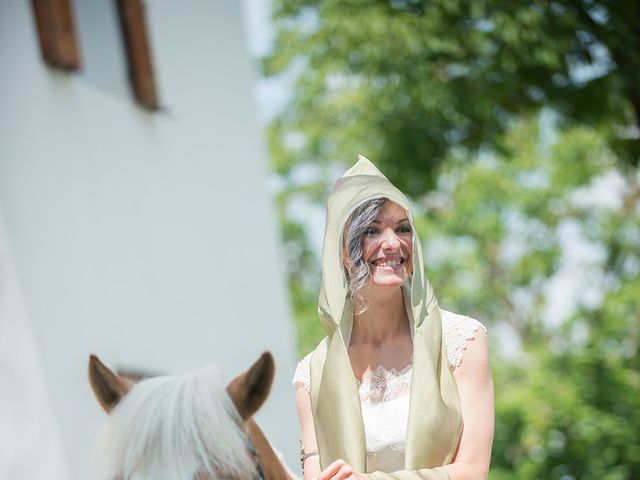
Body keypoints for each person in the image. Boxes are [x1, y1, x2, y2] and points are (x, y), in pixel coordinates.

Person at [292, 156, 494, 480]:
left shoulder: (461, 341)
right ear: (342, 251)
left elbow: (473, 470)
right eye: (372, 231)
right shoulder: (311, 376)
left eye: (403, 229)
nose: (393, 243)